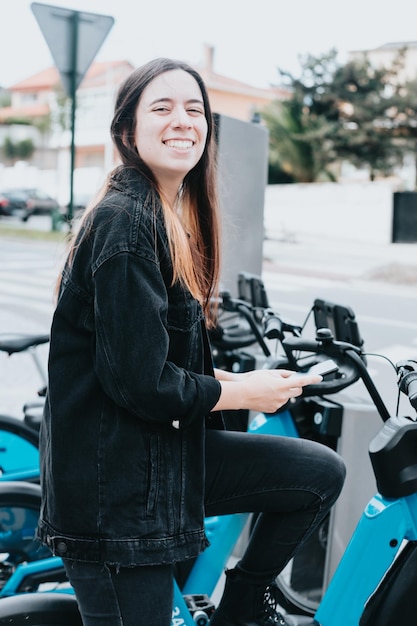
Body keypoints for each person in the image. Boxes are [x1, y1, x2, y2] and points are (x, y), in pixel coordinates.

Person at [37, 57, 346, 626]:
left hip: (156, 465)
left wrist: (226, 379)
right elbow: (142, 384)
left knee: (318, 472)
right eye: (162, 107)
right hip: (117, 502)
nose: (183, 121)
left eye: (194, 109)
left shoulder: (162, 213)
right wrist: (244, 394)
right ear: (127, 131)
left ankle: (247, 599)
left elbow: (140, 354)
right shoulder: (127, 223)